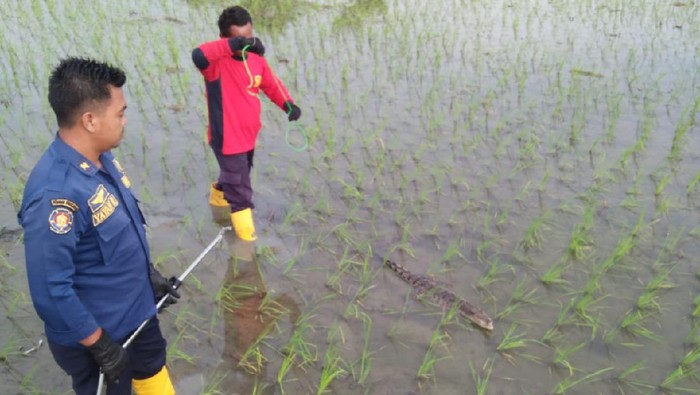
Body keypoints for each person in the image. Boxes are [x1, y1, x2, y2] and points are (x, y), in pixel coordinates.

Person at [17, 57, 180, 395]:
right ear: (89, 120)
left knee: (154, 371)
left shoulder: (102, 158)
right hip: (99, 340)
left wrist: (148, 277)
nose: (125, 120)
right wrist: (99, 343)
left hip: (137, 312)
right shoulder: (56, 195)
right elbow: (51, 291)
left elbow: (120, 233)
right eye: (120, 113)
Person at [192, 5, 301, 242]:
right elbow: (198, 55)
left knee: (236, 177)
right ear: (225, 38)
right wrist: (234, 45)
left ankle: (218, 202)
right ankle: (246, 246)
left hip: (248, 136)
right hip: (226, 139)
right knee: (241, 192)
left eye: (249, 37)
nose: (246, 43)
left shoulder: (255, 59)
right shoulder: (215, 66)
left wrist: (288, 105)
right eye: (239, 39)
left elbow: (272, 84)